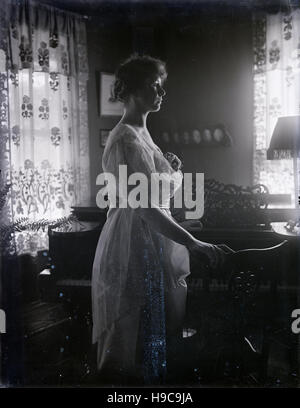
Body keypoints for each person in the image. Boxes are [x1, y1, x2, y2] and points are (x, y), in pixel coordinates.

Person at [91, 55, 230, 385]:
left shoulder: (142, 132)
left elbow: (150, 190)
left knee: (158, 326)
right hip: (134, 239)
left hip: (152, 236)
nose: (162, 93)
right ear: (136, 91)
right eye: (155, 87)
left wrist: (167, 165)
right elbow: (144, 207)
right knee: (139, 327)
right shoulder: (124, 137)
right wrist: (192, 241)